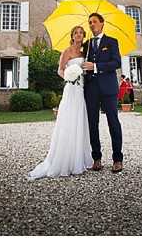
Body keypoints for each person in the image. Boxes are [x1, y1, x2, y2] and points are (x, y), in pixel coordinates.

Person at [28, 26, 92, 180]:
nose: (78, 35)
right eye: (76, 33)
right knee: (69, 121)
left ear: (83, 36)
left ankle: (79, 158)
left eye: (81, 33)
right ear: (72, 35)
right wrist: (68, 77)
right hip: (71, 89)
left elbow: (86, 69)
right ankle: (64, 159)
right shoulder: (67, 51)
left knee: (80, 121)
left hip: (82, 89)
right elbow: (60, 70)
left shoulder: (84, 53)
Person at [81, 13, 124, 173]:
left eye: (94, 22)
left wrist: (96, 66)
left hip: (108, 88)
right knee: (93, 124)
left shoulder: (111, 42)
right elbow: (81, 62)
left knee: (113, 122)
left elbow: (116, 62)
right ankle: (96, 158)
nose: (91, 25)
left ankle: (118, 159)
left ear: (102, 23)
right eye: (89, 22)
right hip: (91, 89)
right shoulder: (86, 45)